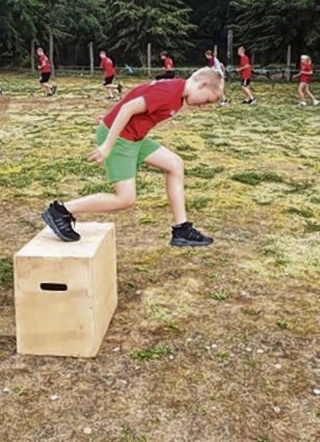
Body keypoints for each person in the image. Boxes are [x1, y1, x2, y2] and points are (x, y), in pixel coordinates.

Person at [41, 67, 224, 247]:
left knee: (175, 164)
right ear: (203, 85)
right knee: (125, 199)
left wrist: (109, 116)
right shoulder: (168, 93)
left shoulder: (176, 92)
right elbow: (129, 107)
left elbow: (138, 93)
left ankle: (182, 230)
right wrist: (107, 145)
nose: (202, 106)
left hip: (135, 137)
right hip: (121, 139)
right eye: (207, 100)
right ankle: (60, 211)